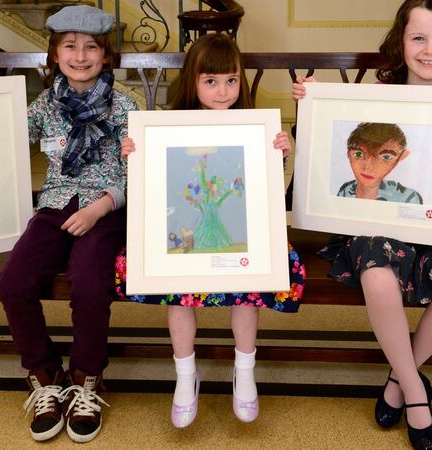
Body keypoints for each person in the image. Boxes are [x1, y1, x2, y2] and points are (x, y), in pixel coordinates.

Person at [293, 1, 432, 449]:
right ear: (402, 41)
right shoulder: (378, 93)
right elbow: (328, 147)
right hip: (375, 225)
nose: (429, 50)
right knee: (377, 279)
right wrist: (313, 104)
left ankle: (398, 377)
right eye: (419, 38)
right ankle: (416, 392)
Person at [0, 5, 137, 444]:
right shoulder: (44, 105)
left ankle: (86, 378)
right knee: (14, 280)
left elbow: (141, 169)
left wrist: (101, 207)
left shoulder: (124, 106)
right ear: (55, 54)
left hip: (107, 210)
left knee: (87, 281)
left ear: (105, 55)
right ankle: (45, 375)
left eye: (91, 47)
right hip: (55, 205)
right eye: (70, 46)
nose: (81, 56)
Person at [117, 33, 305, 428]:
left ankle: (244, 369)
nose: (223, 91)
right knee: (176, 284)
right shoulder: (167, 128)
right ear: (193, 82)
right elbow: (155, 190)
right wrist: (137, 156)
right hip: (186, 229)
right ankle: (186, 376)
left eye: (232, 81)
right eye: (211, 81)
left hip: (242, 229)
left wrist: (280, 153)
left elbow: (265, 191)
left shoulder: (255, 126)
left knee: (252, 278)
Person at [338, 121, 423, 204]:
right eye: (358, 154)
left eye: (386, 157)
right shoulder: (345, 191)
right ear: (348, 153)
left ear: (401, 157)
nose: (368, 167)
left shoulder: (408, 199)